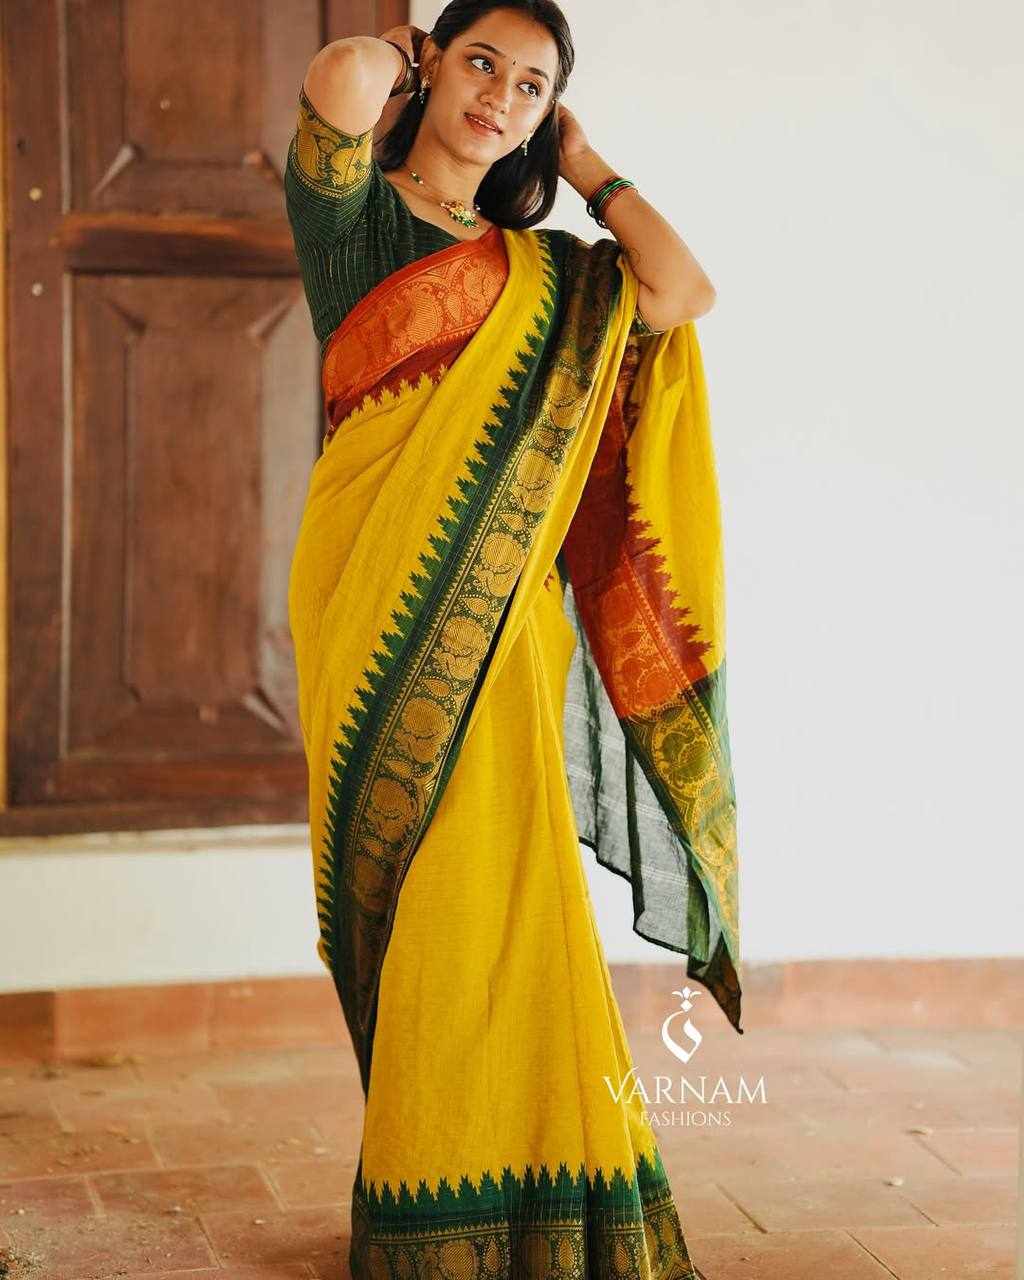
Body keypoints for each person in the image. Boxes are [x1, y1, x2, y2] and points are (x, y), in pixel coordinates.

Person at [284, 3, 740, 1276]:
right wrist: (403, 49)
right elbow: (339, 79)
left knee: (510, 896)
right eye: (481, 63)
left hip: (506, 629)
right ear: (433, 64)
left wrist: (586, 168)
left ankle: (532, 1190)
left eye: (532, 86)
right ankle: (431, 1192)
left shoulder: (550, 277)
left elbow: (681, 289)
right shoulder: (355, 221)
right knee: (410, 899)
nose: (501, 97)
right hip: (373, 607)